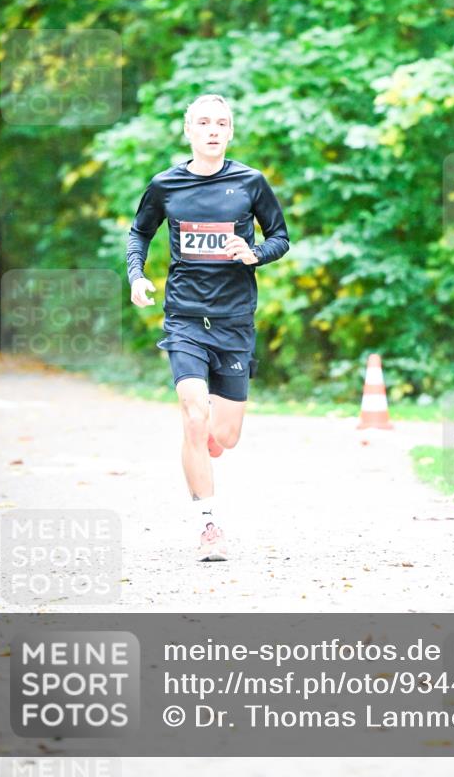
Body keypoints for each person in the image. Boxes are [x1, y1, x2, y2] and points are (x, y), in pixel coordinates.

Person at [126, 93, 289, 561]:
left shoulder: (251, 182)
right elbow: (140, 232)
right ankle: (208, 524)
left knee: (226, 436)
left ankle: (207, 442)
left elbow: (280, 236)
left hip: (235, 322)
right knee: (193, 416)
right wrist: (138, 276)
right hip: (184, 319)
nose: (213, 129)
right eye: (203, 121)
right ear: (188, 130)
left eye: (221, 122)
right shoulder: (165, 185)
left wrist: (255, 252)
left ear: (230, 132)